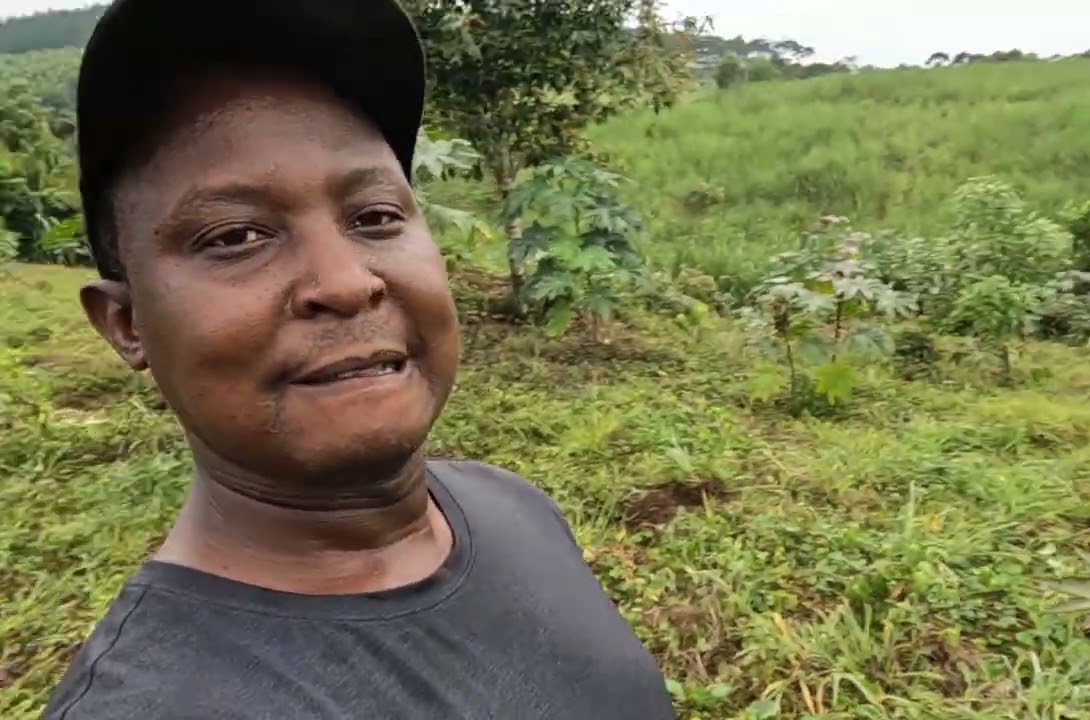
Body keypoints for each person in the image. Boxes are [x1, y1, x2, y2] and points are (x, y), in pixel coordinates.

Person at [39, 1, 677, 718]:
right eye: (236, 235)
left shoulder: (513, 506)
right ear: (126, 324)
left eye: (374, 217)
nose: (346, 282)